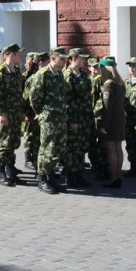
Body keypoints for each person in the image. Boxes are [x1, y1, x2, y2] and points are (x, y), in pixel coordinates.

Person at [29, 47, 69, 194]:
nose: (65, 61)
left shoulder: (59, 74)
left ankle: (51, 177)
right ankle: (42, 179)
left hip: (60, 117)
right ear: (53, 58)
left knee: (57, 148)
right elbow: (34, 97)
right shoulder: (43, 74)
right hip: (49, 118)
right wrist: (40, 112)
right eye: (62, 58)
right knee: (47, 148)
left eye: (65, 58)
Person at [0, 43, 25, 187]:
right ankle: (1, 173)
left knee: (13, 142)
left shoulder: (17, 71)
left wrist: (22, 111)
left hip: (16, 113)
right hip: (5, 113)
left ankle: (10, 170)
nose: (21, 56)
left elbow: (20, 93)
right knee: (3, 143)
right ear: (11, 55)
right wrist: (1, 114)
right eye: (19, 54)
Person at [63, 48, 93, 187]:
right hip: (74, 119)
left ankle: (79, 174)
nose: (85, 61)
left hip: (84, 118)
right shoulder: (68, 75)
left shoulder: (83, 75)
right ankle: (70, 176)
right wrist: (71, 120)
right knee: (72, 149)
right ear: (74, 58)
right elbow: (66, 101)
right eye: (82, 58)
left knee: (81, 148)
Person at [97, 58, 126, 188]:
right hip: (120, 120)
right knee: (118, 149)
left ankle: (113, 178)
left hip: (112, 121)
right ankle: (118, 175)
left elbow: (107, 107)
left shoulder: (108, 84)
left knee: (111, 150)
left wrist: (104, 125)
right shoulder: (120, 82)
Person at [22, 52, 49, 171]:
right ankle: (28, 158)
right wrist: (25, 113)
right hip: (31, 111)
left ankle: (36, 159)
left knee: (37, 137)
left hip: (39, 111)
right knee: (29, 135)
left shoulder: (43, 75)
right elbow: (26, 97)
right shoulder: (29, 76)